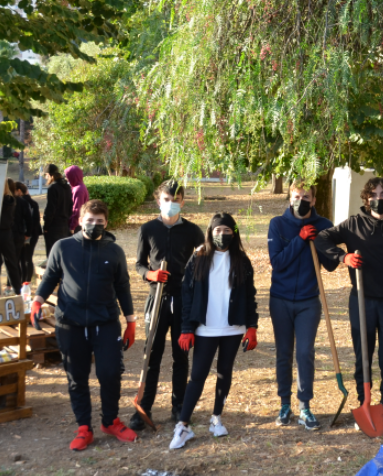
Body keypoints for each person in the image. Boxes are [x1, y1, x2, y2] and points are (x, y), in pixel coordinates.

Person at [31, 199, 138, 451]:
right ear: (80, 221)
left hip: (106, 322)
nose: (94, 225)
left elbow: (123, 286)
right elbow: (50, 277)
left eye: (99, 222)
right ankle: (83, 428)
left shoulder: (114, 251)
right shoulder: (63, 247)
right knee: (77, 378)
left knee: (110, 373)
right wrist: (37, 300)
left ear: (106, 223)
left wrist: (130, 321)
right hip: (71, 323)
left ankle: (110, 421)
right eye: (89, 221)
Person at [316, 177, 383, 426]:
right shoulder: (352, 224)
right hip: (362, 299)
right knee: (364, 354)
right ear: (366, 198)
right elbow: (321, 239)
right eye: (373, 194)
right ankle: (364, 400)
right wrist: (343, 257)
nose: (378, 199)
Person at [171, 213, 258, 449]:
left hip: (233, 327)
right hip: (205, 327)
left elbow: (250, 295)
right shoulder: (198, 258)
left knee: (224, 372)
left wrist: (252, 327)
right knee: (198, 374)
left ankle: (216, 418)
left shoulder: (242, 260)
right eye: (217, 230)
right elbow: (186, 295)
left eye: (227, 230)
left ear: (234, 233)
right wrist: (187, 328)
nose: (222, 234)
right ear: (210, 232)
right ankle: (183, 425)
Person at [129, 179, 205, 430]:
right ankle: (144, 408)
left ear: (183, 201)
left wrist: (197, 267)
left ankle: (179, 407)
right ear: (158, 200)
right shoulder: (147, 230)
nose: (171, 204)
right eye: (167, 199)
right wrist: (149, 275)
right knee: (152, 355)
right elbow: (139, 263)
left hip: (182, 300)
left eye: (176, 199)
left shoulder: (192, 231)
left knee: (181, 356)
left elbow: (203, 259)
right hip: (157, 298)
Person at [266, 181, 334, 430]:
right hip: (280, 299)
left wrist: (322, 243)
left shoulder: (324, 225)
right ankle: (284, 404)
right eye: (297, 196)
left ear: (314, 200)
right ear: (289, 198)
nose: (301, 200)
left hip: (308, 301)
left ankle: (305, 406)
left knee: (305, 352)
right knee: (284, 353)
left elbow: (330, 265)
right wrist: (300, 239)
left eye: (306, 196)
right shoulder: (278, 224)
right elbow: (277, 262)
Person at [42, 164, 73, 257]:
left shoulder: (53, 188)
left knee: (53, 255)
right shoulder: (67, 187)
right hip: (65, 224)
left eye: (45, 175)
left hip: (54, 227)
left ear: (49, 174)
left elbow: (51, 209)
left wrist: (46, 226)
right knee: (63, 254)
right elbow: (70, 206)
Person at [15, 181, 41, 284]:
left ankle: (22, 281)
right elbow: (36, 219)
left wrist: (27, 233)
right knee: (28, 258)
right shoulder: (33, 202)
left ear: (19, 191)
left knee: (21, 258)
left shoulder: (19, 202)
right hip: (34, 233)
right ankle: (28, 281)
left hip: (25, 233)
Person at [7, 177, 30, 291]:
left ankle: (12, 286)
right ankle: (16, 286)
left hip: (10, 235)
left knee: (11, 261)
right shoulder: (22, 201)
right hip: (19, 235)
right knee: (15, 261)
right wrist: (28, 233)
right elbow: (28, 218)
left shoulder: (6, 201)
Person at [65, 165, 89, 233]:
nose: (66, 178)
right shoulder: (79, 187)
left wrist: (72, 226)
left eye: (68, 176)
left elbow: (77, 209)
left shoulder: (78, 189)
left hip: (76, 225)